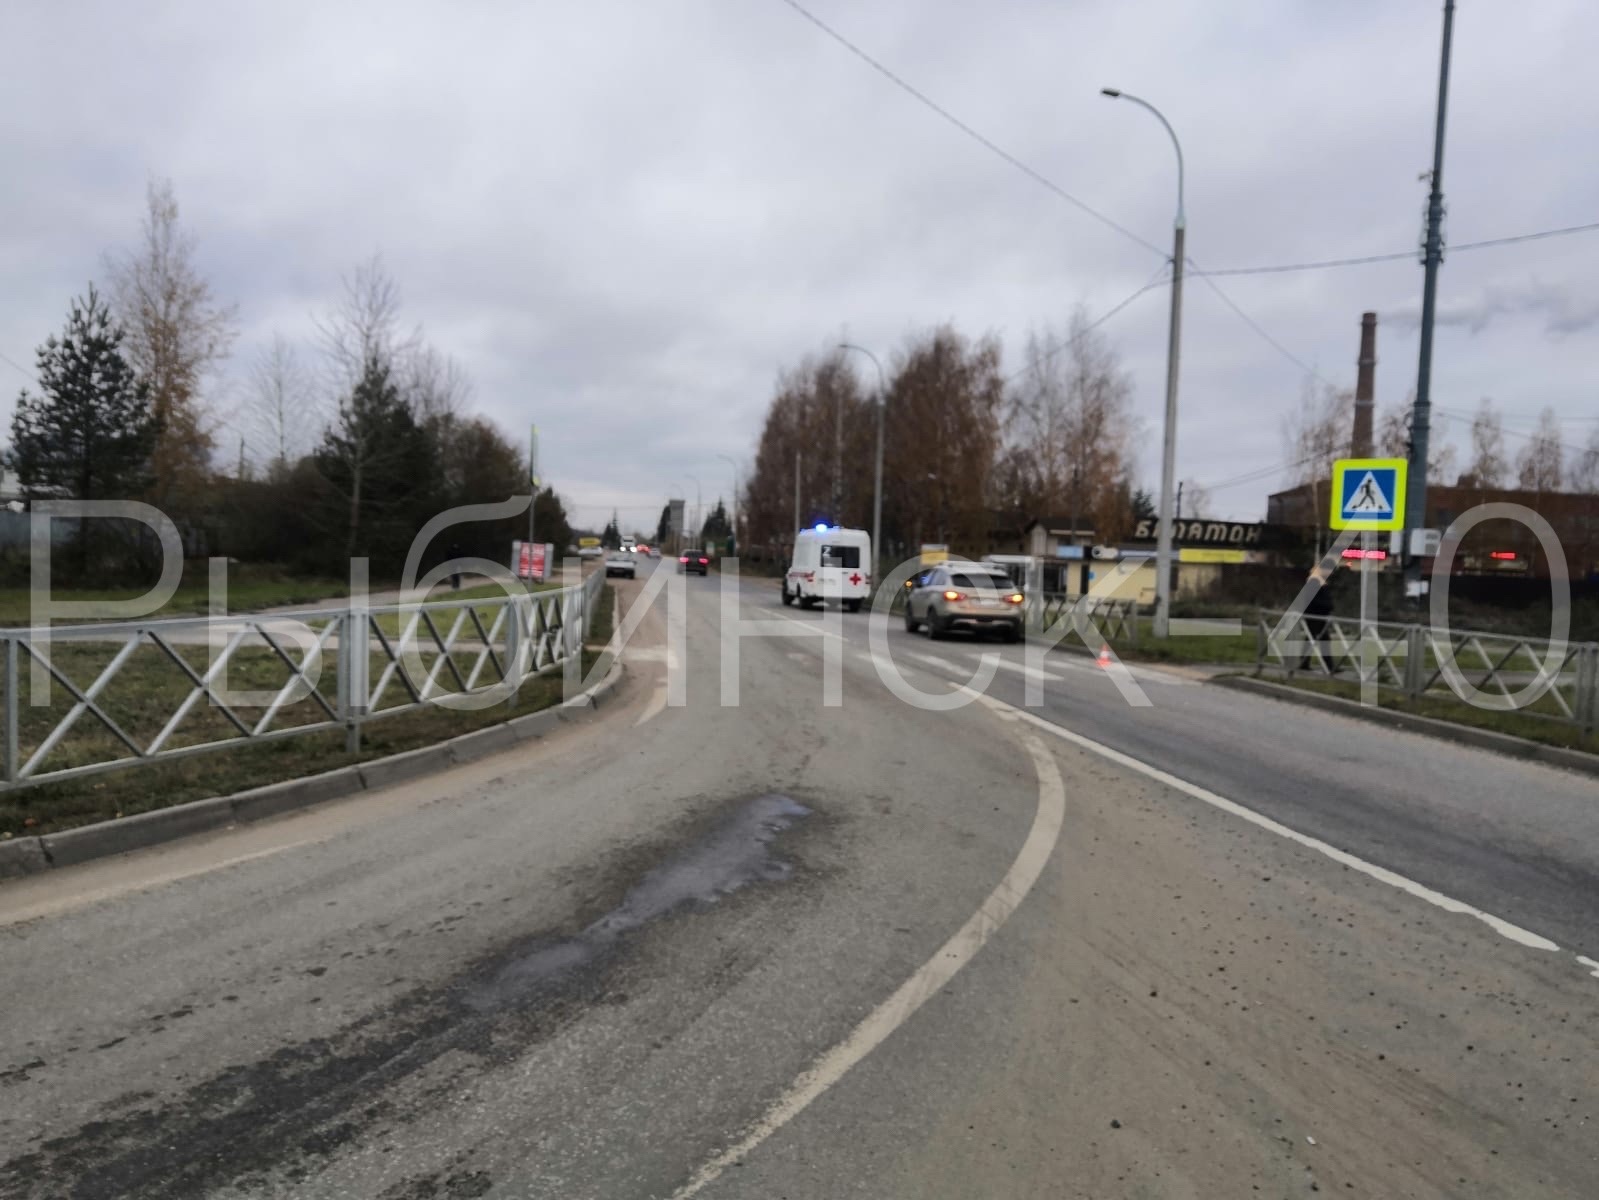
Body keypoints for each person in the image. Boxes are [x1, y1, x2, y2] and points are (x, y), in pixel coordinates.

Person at [1300, 564, 1335, 671]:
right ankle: (1327, 666)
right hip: (1315, 616)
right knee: (1314, 639)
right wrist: (1327, 605)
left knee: (1317, 639)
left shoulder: (1320, 583)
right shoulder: (1314, 582)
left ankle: (1327, 665)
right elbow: (1314, 601)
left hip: (1320, 616)